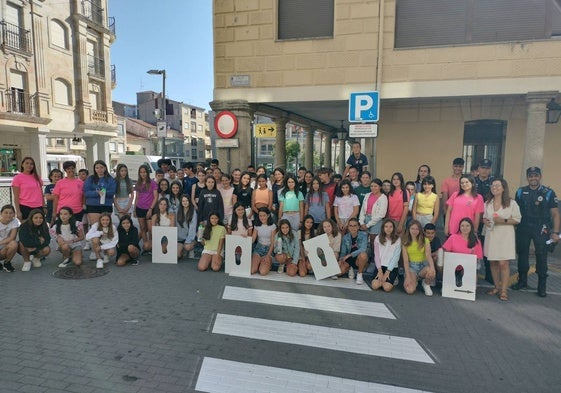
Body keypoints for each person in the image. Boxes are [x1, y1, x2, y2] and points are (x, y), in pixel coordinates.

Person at [512, 167, 560, 297]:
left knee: (541, 255)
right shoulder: (520, 191)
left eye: (536, 176)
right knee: (522, 254)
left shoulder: (548, 192)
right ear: (527, 177)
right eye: (531, 176)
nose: (533, 178)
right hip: (524, 226)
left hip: (541, 227)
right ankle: (522, 281)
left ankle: (541, 287)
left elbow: (555, 214)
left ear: (540, 176)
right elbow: (515, 211)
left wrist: (555, 232)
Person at [482, 178, 521, 301]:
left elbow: (517, 219)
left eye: (497, 185)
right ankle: (496, 287)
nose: (494, 187)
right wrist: (485, 221)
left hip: (505, 236)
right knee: (493, 262)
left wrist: (502, 221)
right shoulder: (487, 203)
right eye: (493, 185)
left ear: (504, 188)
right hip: (492, 235)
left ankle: (504, 290)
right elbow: (484, 217)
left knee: (503, 263)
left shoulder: (511, 203)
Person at [442, 218, 483, 288]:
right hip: (452, 265)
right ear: (459, 227)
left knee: (472, 270)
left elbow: (477, 259)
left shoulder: (476, 241)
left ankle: (468, 286)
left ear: (471, 227)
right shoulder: (453, 237)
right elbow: (445, 251)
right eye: (462, 226)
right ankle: (446, 285)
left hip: (466, 267)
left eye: (467, 226)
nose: (465, 228)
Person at [401, 220, 436, 296]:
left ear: (420, 230)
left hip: (423, 266)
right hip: (412, 267)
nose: (414, 231)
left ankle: (426, 283)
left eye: (417, 229)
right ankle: (415, 279)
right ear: (409, 229)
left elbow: (428, 255)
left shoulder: (425, 240)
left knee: (431, 271)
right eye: (412, 228)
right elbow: (406, 261)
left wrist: (432, 268)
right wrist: (407, 276)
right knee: (410, 290)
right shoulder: (405, 241)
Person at [359, 178, 388, 261]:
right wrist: (361, 222)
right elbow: (362, 210)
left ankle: (375, 260)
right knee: (364, 241)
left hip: (376, 221)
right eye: (371, 186)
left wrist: (368, 225)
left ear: (380, 187)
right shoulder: (367, 195)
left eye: (375, 186)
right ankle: (365, 260)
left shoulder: (383, 198)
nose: (373, 188)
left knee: (374, 241)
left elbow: (381, 214)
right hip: (365, 219)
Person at [84, 160, 117, 229]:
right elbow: (86, 192)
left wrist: (104, 192)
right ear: (94, 169)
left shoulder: (111, 179)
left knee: (105, 227)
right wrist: (96, 193)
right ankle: (95, 239)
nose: (99, 170)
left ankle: (105, 240)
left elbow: (112, 192)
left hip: (106, 205)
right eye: (97, 168)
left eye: (101, 167)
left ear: (105, 168)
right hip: (93, 205)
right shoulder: (90, 179)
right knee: (95, 227)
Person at [134, 164, 158, 255]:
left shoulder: (152, 183)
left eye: (144, 172)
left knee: (150, 229)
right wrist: (134, 209)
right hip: (140, 208)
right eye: (141, 172)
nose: (143, 174)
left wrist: (151, 209)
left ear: (147, 173)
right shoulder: (138, 183)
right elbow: (136, 197)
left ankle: (151, 246)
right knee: (143, 228)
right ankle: (145, 246)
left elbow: (156, 197)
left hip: (149, 209)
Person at [372, 219, 401, 292]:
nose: (388, 229)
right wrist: (380, 271)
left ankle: (391, 279)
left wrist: (387, 272)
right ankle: (382, 281)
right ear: (383, 228)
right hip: (380, 267)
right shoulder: (378, 238)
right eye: (386, 226)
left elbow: (396, 257)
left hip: (391, 268)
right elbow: (377, 255)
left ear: (393, 228)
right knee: (375, 286)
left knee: (387, 288)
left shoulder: (398, 239)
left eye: (390, 227)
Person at [11, 157, 44, 221]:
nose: (29, 165)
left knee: (38, 228)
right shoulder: (17, 178)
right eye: (27, 163)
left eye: (31, 164)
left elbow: (41, 193)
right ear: (22, 164)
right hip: (25, 207)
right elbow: (16, 197)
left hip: (38, 207)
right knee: (26, 228)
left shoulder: (37, 177)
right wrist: (18, 211)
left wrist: (44, 206)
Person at [338, 217, 368, 284]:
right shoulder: (345, 237)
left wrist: (350, 255)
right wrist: (341, 260)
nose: (352, 227)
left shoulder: (364, 235)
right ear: (348, 227)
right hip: (349, 259)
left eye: (355, 225)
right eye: (350, 226)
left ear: (358, 227)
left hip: (358, 258)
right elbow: (343, 252)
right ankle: (350, 268)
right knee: (339, 273)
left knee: (363, 255)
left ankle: (359, 274)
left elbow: (363, 249)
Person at [251, 207, 276, 275]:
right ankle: (259, 261)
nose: (262, 218)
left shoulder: (273, 226)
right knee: (252, 270)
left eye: (264, 215)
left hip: (268, 249)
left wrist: (268, 255)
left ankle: (265, 263)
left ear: (268, 215)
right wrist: (246, 239)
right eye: (260, 216)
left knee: (263, 272)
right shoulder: (257, 225)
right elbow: (253, 239)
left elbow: (273, 243)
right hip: (259, 248)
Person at [0, 204, 20, 272]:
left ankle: (7, 263)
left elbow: (12, 237)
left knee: (14, 243)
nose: (8, 215)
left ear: (14, 214)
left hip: (5, 247)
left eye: (11, 213)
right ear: (1, 213)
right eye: (6, 212)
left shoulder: (15, 221)